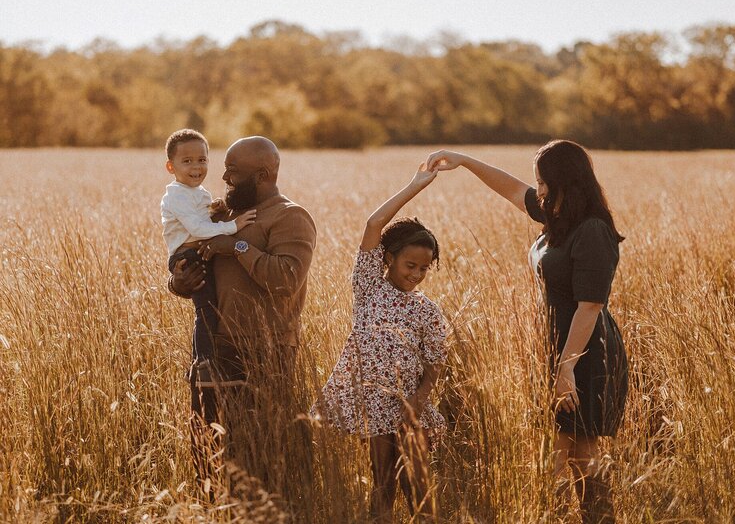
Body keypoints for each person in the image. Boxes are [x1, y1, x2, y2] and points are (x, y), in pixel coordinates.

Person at [426, 141, 628, 524]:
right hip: (559, 352)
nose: (538, 190)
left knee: (567, 455)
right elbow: (513, 190)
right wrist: (466, 161)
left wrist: (566, 369)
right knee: (575, 456)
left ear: (564, 182)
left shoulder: (592, 231)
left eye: (543, 181)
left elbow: (590, 307)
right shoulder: (558, 218)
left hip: (585, 355)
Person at [168, 136, 317, 498]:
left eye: (233, 172)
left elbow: (285, 281)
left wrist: (237, 246)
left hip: (265, 351)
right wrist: (179, 283)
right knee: (205, 444)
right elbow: (194, 262)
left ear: (262, 174)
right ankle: (212, 511)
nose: (224, 178)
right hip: (212, 346)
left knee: (255, 450)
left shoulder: (291, 217)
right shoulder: (225, 216)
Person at [311, 163, 447, 522]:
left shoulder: (427, 311)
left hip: (410, 404)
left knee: (417, 482)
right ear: (387, 258)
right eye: (410, 265)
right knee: (382, 481)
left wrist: (416, 403)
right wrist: (415, 185)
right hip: (373, 402)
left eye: (424, 268)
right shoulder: (369, 288)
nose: (416, 275)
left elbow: (435, 364)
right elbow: (374, 224)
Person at [160, 129, 256, 385]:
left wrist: (216, 210)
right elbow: (199, 229)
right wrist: (233, 226)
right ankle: (202, 363)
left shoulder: (198, 193)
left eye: (201, 160)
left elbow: (203, 219)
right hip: (187, 257)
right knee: (206, 311)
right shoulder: (176, 195)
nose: (196, 166)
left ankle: (202, 363)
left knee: (211, 309)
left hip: (197, 253)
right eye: (187, 161)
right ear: (171, 167)